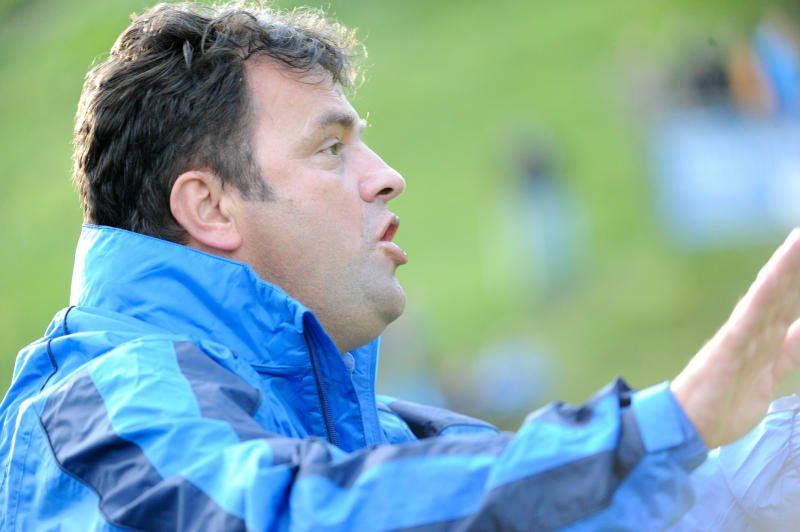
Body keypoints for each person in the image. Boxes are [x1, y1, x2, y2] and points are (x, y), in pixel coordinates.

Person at [0, 3, 798, 530]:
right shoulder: (100, 413)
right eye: (330, 148)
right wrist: (663, 426)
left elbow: (577, 508)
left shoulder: (375, 435)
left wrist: (762, 460)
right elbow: (281, 520)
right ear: (209, 208)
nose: (387, 176)